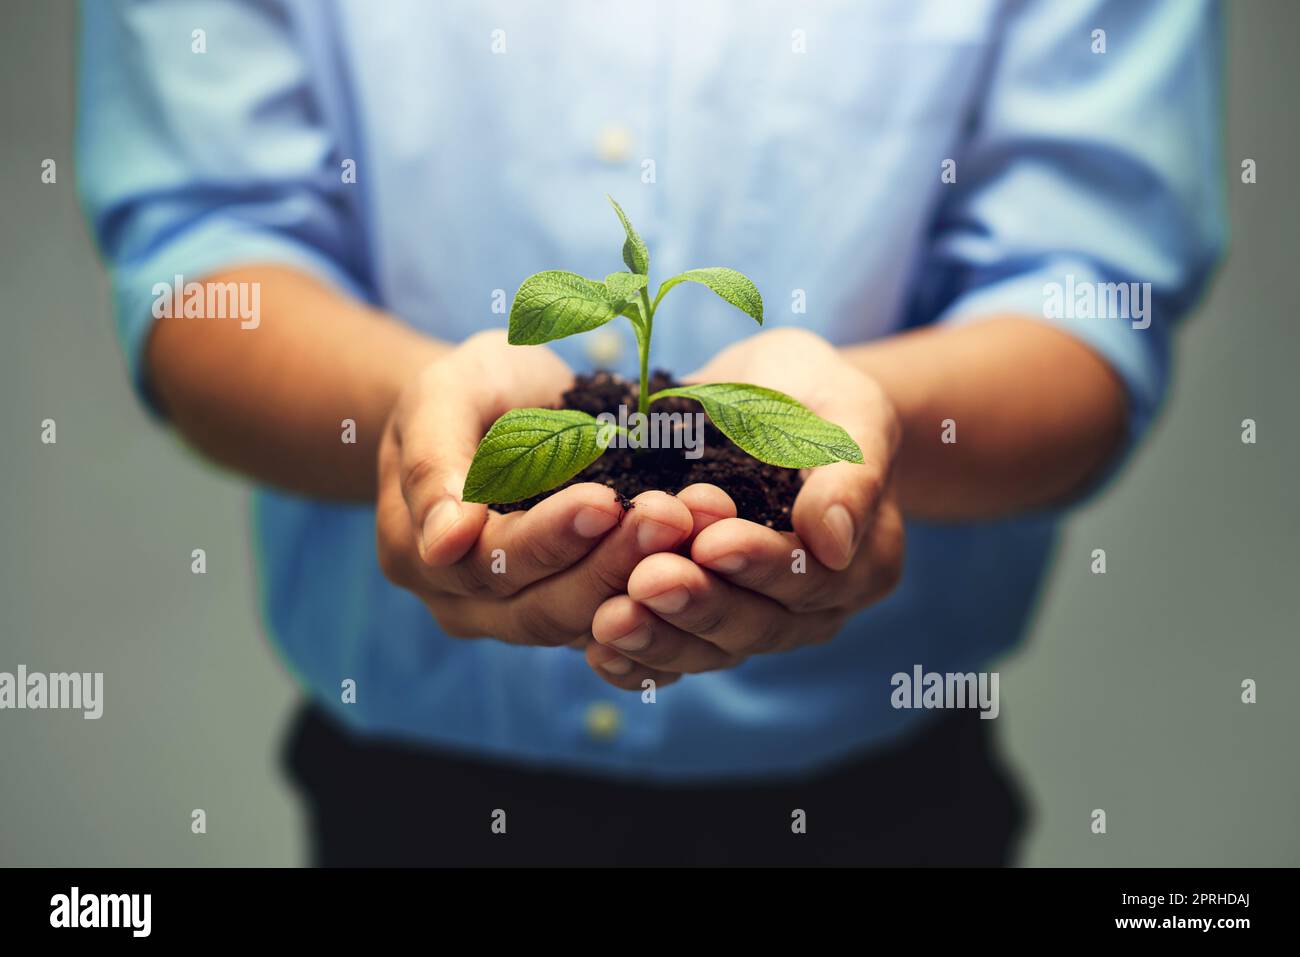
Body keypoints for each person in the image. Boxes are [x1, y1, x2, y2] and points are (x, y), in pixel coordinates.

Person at [77, 0, 1224, 866]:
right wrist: (414, 422)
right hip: (409, 813)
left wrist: (858, 440)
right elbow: (198, 256)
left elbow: (1090, 295)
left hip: (880, 813)